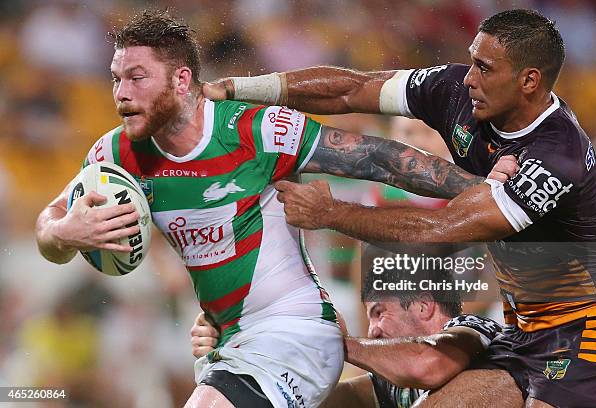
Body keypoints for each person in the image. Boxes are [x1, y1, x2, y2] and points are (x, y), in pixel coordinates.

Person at [33, 10, 512, 408]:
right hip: (227, 344)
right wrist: (64, 233)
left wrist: (483, 187)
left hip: (294, 330)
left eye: (137, 77)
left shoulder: (256, 131)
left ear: (181, 80)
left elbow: (379, 159)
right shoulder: (114, 156)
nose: (121, 92)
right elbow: (48, 228)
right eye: (116, 78)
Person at [205, 9, 596, 408]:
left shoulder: (558, 156)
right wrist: (235, 89)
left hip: (592, 327)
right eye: (472, 61)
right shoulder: (456, 90)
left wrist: (330, 213)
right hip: (523, 329)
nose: (468, 78)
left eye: (485, 68)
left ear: (528, 80)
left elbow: (442, 228)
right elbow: (353, 88)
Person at [190, 258, 520, 408]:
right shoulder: (386, 387)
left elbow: (428, 364)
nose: (373, 330)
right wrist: (240, 347)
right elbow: (309, 401)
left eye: (379, 312)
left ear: (423, 305)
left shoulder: (481, 332)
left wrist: (335, 343)